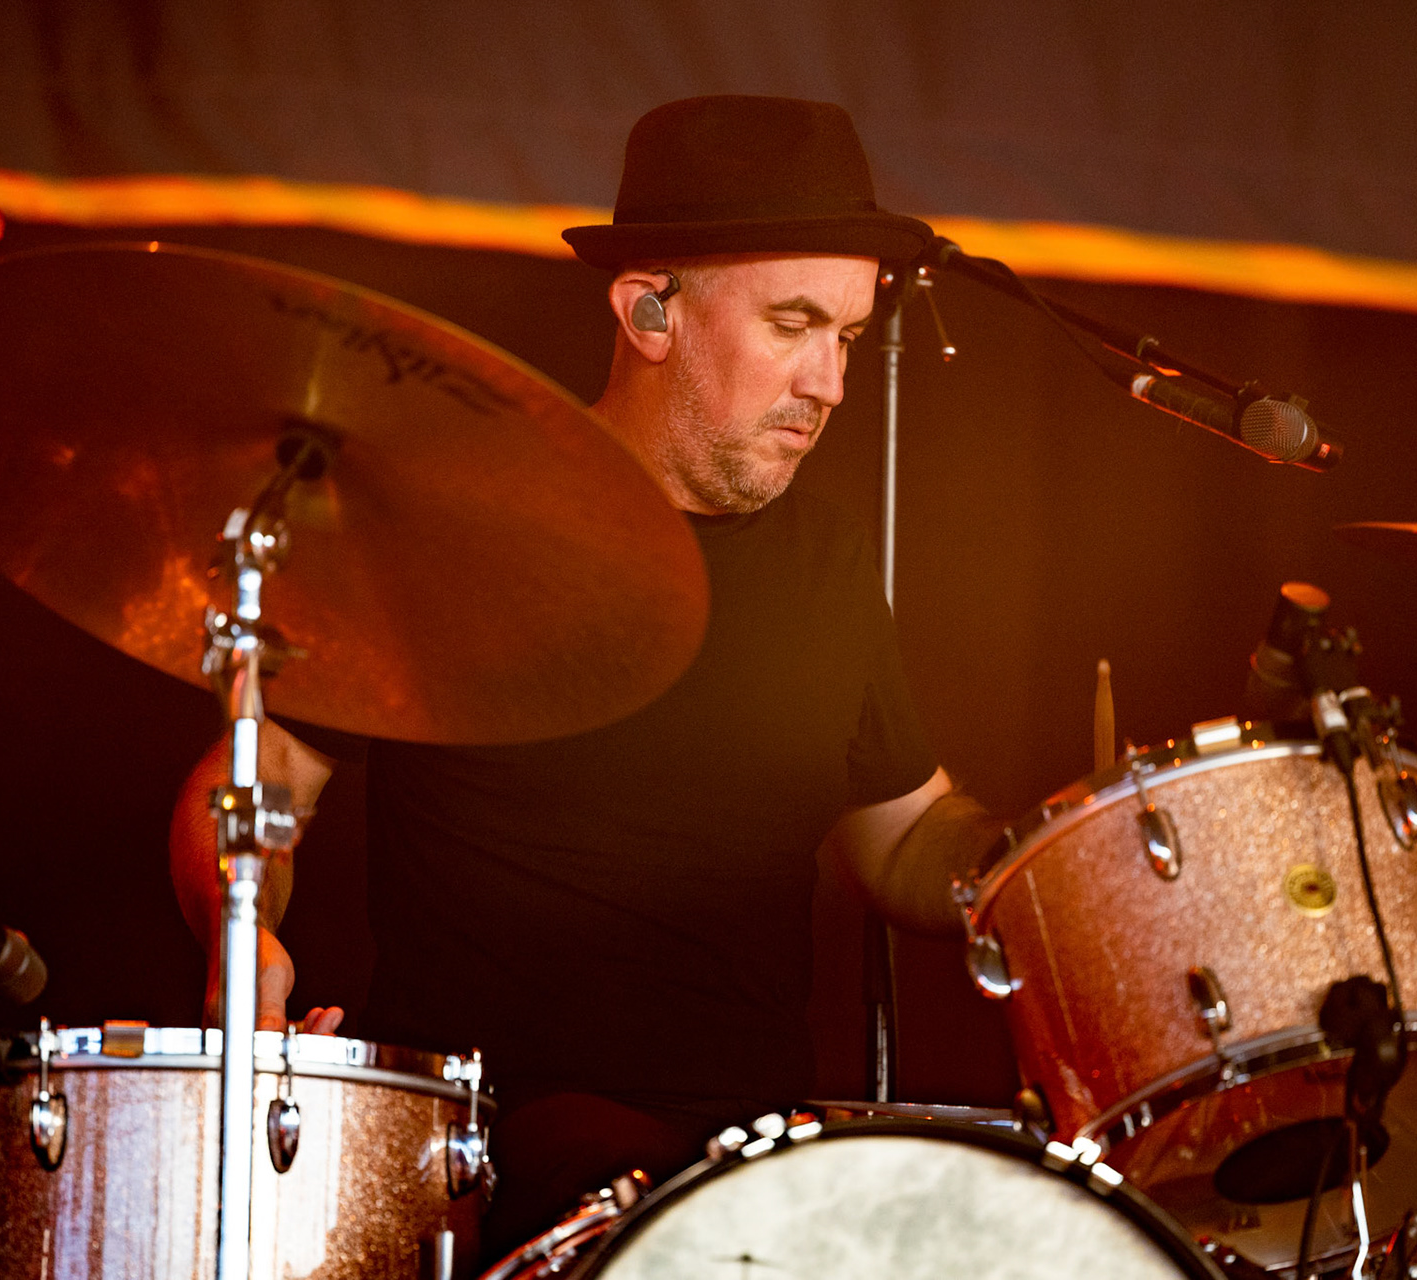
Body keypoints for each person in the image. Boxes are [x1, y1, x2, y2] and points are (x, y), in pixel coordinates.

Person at [169, 94, 1009, 1254]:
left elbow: (905, 831)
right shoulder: (452, 520)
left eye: (849, 338)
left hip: (753, 1168)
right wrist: (244, 942)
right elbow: (254, 781)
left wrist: (1045, 866)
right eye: (794, 324)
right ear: (649, 310)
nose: (829, 382)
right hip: (487, 1157)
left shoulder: (824, 559)